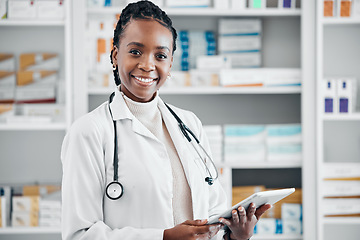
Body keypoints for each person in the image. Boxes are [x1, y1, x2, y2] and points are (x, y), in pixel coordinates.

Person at [61, 1, 270, 239]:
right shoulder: (89, 132)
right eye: (135, 51)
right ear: (116, 55)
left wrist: (235, 235)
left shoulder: (189, 124)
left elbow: (212, 215)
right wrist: (163, 237)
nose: (147, 65)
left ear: (170, 64)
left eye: (160, 55)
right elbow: (80, 234)